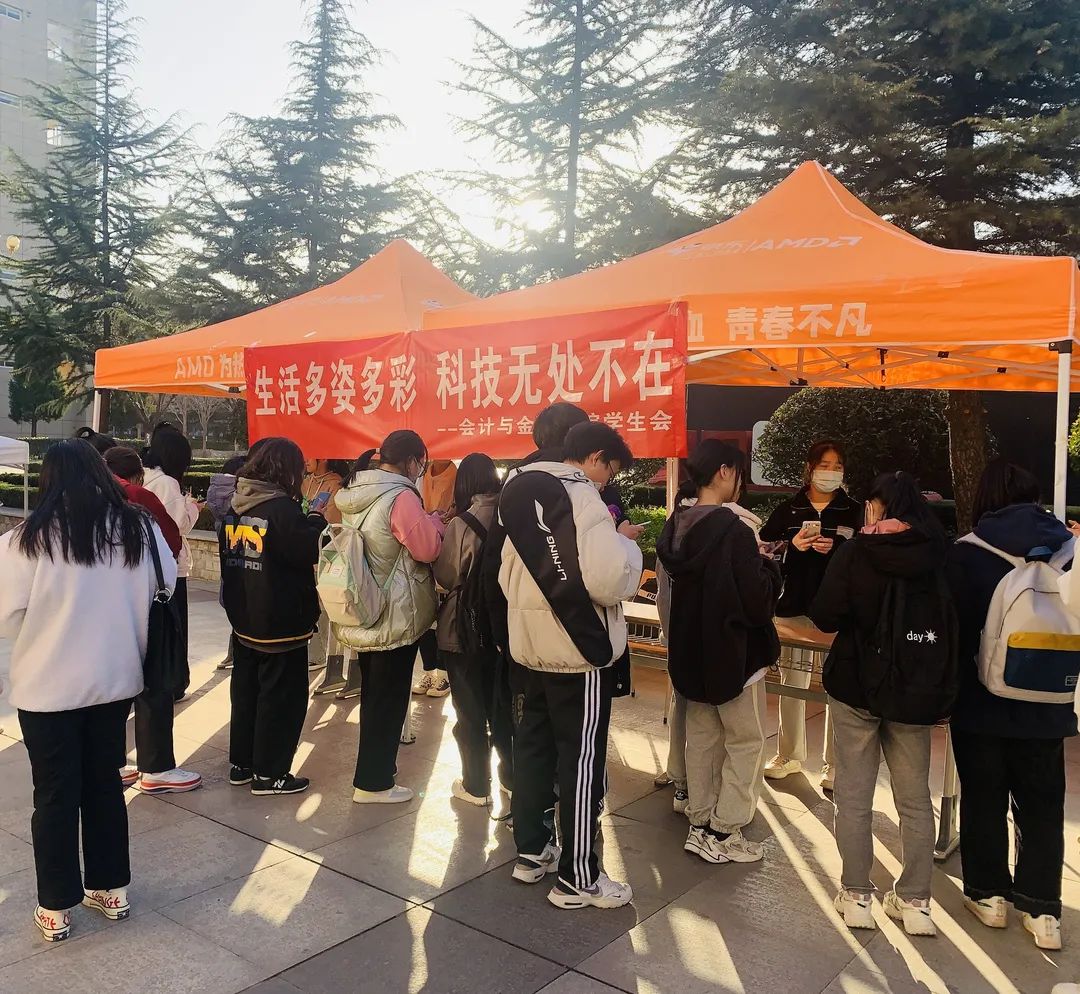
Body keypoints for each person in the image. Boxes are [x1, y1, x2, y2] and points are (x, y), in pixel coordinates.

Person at [0, 439, 176, 942]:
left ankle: (56, 907)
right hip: (114, 682)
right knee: (103, 785)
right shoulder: (138, 528)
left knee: (54, 794)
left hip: (47, 688)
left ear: (48, 479)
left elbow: (6, 616)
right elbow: (164, 584)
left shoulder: (25, 540)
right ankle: (111, 888)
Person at [500, 420, 643, 910]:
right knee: (581, 761)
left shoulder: (518, 491)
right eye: (610, 470)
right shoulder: (583, 497)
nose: (607, 481)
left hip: (530, 648)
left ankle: (531, 851)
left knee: (533, 749)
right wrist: (627, 546)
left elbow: (506, 576)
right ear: (595, 457)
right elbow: (608, 579)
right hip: (578, 652)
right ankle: (579, 877)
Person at [946, 460, 1077, 951]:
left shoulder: (968, 552)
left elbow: (956, 630)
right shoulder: (1069, 550)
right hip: (1051, 699)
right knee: (1043, 804)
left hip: (980, 701)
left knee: (983, 797)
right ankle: (1043, 911)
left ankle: (989, 896)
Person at [811, 471, 949, 938]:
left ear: (876, 506)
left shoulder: (857, 551)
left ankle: (856, 897)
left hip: (856, 685)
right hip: (915, 691)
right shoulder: (937, 553)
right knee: (914, 799)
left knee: (854, 794)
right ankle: (916, 902)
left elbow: (825, 615)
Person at [656, 441, 781, 863]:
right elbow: (756, 602)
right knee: (745, 741)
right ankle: (724, 831)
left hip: (690, 652)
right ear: (725, 471)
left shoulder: (676, 526)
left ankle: (699, 824)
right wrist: (770, 567)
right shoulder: (735, 530)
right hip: (733, 655)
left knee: (702, 740)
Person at [335, 430, 445, 804]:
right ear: (411, 461)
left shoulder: (356, 491)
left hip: (365, 605)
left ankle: (374, 774)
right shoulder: (400, 496)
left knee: (375, 696)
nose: (420, 470)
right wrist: (437, 524)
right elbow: (427, 549)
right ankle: (374, 783)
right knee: (388, 700)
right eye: (421, 463)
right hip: (394, 613)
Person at [219, 438, 325, 796]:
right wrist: (316, 519)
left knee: (246, 693)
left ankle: (243, 764)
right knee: (281, 700)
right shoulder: (282, 509)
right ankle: (270, 773)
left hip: (244, 617)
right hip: (280, 620)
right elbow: (307, 549)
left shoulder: (236, 506)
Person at [760, 441, 862, 790]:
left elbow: (867, 556)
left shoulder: (854, 511)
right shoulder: (789, 509)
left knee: (838, 687)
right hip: (793, 610)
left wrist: (839, 548)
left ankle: (835, 764)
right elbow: (764, 553)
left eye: (837, 466)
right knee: (793, 683)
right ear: (810, 468)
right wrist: (791, 548)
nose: (831, 472)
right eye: (824, 465)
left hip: (839, 614)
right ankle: (789, 755)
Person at [103, 446, 201, 794]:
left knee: (111, 689)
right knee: (154, 684)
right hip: (142, 603)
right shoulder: (137, 497)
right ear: (137, 474)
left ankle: (111, 764)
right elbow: (170, 541)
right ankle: (156, 768)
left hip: (99, 610)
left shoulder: (71, 501)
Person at [434, 452, 511, 806]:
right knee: (504, 706)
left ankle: (476, 786)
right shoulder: (513, 513)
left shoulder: (462, 523)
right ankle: (511, 779)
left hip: (464, 627)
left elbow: (447, 576)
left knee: (469, 709)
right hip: (505, 626)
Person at [141, 425, 200, 700]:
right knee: (175, 629)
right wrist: (193, 508)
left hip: (148, 566)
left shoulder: (145, 476)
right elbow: (178, 525)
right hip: (171, 568)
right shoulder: (168, 483)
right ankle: (174, 683)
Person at [413, 460, 458, 698]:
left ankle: (443, 673)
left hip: (447, 550)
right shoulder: (422, 476)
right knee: (426, 617)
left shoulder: (456, 475)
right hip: (425, 550)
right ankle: (429, 670)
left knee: (444, 617)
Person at [208, 452, 255, 671]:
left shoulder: (216, 493)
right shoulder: (238, 497)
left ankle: (232, 653)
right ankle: (236, 651)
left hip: (230, 563)